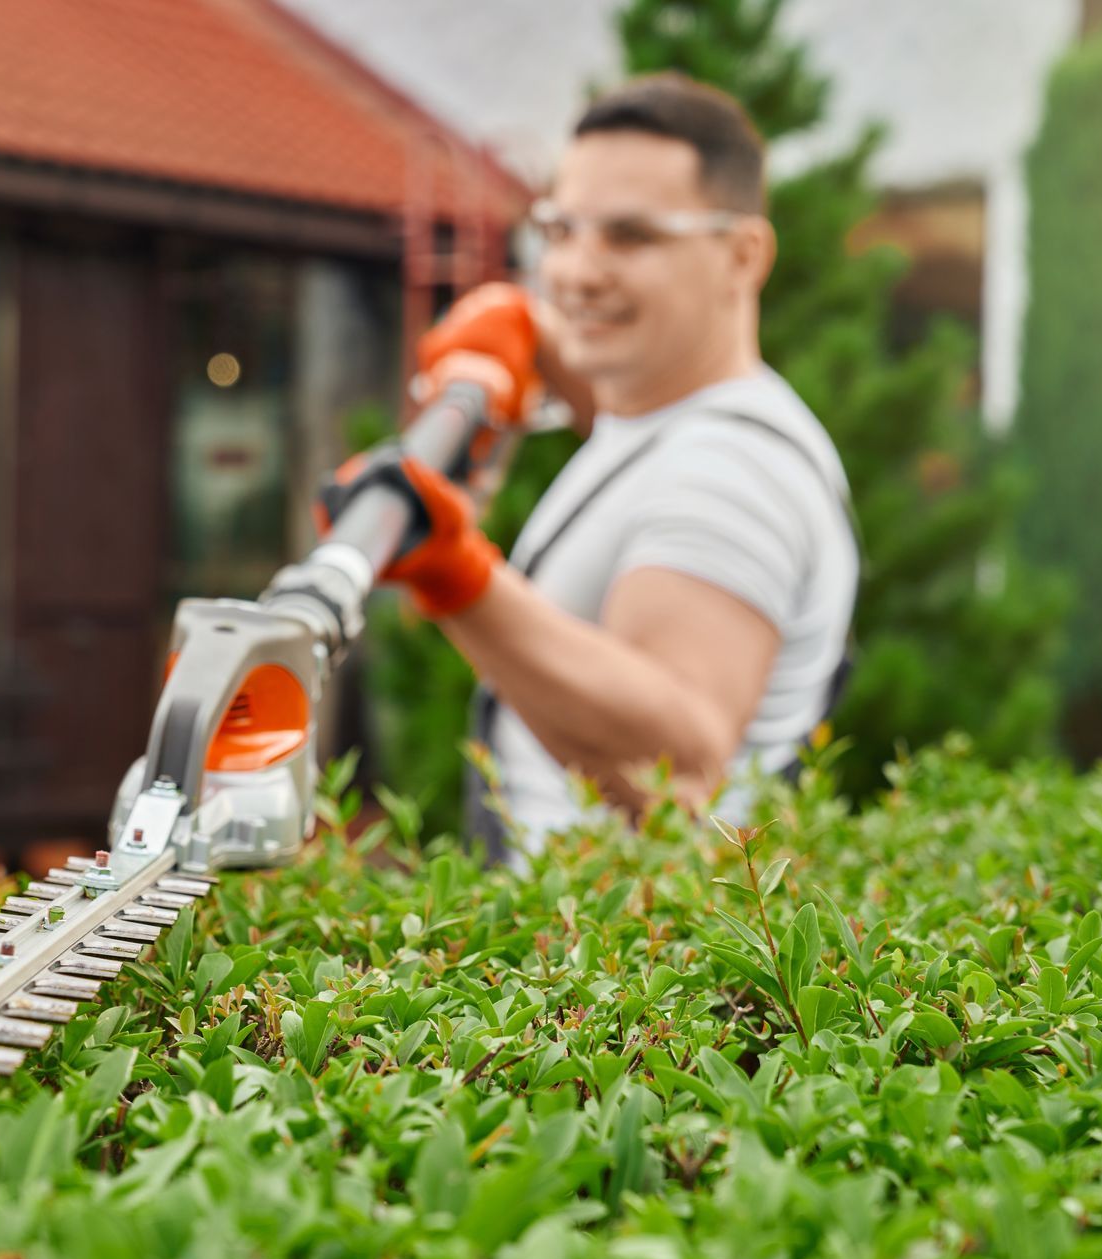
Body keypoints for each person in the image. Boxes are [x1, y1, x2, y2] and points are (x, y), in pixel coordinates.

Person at [330, 72, 858, 861]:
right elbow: (610, 391)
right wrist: (523, 337)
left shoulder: (729, 470)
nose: (575, 271)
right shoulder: (668, 413)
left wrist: (456, 578)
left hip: (618, 962)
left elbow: (678, 770)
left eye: (631, 236)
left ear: (742, 256)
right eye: (561, 231)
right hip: (587, 941)